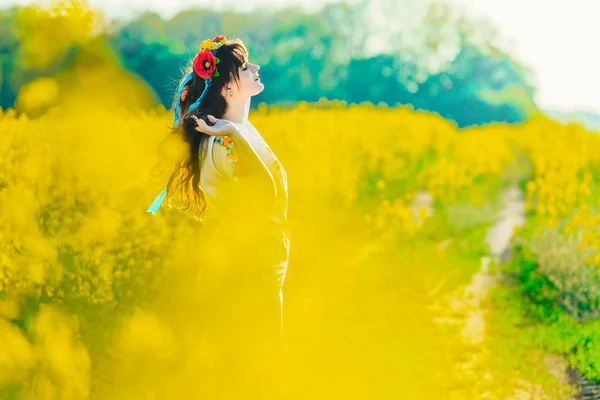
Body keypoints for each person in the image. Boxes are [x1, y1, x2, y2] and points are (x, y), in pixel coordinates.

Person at [146, 35, 291, 398]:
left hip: (256, 256)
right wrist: (229, 132)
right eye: (245, 66)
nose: (256, 68)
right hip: (244, 264)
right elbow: (264, 197)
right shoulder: (225, 141)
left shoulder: (240, 132)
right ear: (227, 86)